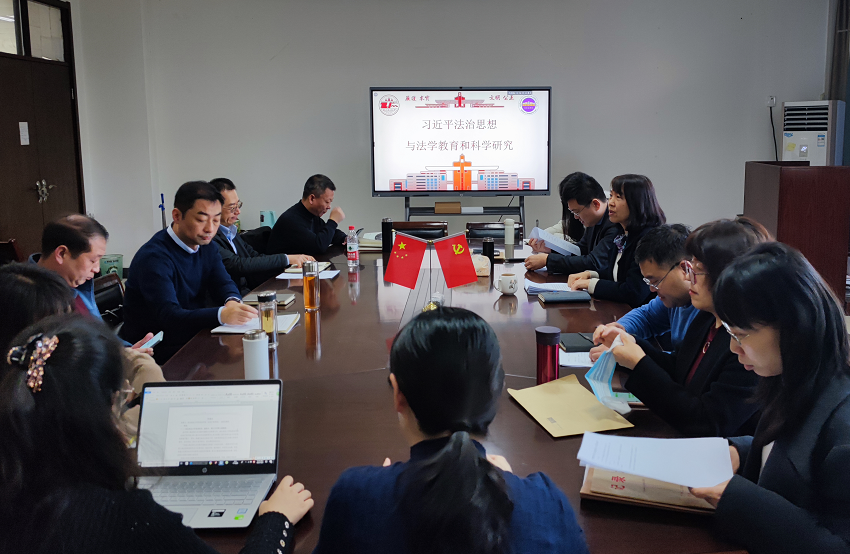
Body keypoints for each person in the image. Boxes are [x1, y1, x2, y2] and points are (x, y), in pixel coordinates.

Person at [0, 315, 313, 554]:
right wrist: (277, 518)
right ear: (107, 407)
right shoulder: (124, 516)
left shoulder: (17, 489)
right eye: (123, 397)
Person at [313, 307, 589, 554]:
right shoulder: (548, 504)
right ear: (496, 391)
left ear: (398, 394)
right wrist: (508, 485)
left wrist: (376, 486)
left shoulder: (356, 497)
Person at [690, 242, 850, 554]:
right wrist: (740, 451)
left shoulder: (843, 429)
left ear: (793, 326)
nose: (734, 348)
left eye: (741, 335)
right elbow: (789, 449)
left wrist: (735, 498)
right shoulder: (794, 380)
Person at [604, 218, 770, 437]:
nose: (690, 278)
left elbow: (706, 424)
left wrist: (639, 363)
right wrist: (630, 345)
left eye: (697, 270)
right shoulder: (706, 317)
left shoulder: (747, 343)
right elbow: (680, 368)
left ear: (728, 275)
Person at [0, 263, 163, 434]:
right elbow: (108, 436)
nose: (66, 333)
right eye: (55, 327)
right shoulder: (31, 405)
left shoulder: (44, 369)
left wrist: (127, 358)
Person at [120, 181, 258, 364]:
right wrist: (221, 314)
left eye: (216, 220)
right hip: (156, 352)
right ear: (177, 216)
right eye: (201, 220)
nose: (210, 229)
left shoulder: (206, 245)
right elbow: (170, 317)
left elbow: (222, 282)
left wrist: (232, 301)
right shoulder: (154, 257)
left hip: (193, 339)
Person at [589, 224, 698, 361]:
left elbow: (686, 366)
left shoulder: (707, 310)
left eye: (656, 281)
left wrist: (636, 357)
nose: (652, 289)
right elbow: (646, 316)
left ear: (684, 269)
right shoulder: (676, 298)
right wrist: (621, 329)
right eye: (649, 282)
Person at [567, 174, 665, 308]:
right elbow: (616, 274)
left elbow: (633, 292)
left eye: (618, 197)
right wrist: (591, 274)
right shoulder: (622, 233)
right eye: (611, 195)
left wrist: (591, 284)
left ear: (637, 202)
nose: (611, 202)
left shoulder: (649, 240)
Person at [210, 178, 314, 295]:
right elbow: (239, 264)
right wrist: (286, 259)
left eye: (238, 205)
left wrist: (289, 266)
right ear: (215, 208)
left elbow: (255, 257)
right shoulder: (210, 239)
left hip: (248, 293)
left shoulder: (231, 232)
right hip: (230, 299)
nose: (238, 211)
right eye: (232, 207)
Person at [524, 172, 619, 274]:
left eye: (577, 212)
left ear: (595, 204)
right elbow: (580, 251)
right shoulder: (594, 220)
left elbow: (593, 262)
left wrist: (548, 260)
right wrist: (550, 250)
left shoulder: (614, 225)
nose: (575, 217)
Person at [267, 174, 346, 256]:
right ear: (312, 198)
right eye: (327, 202)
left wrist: (345, 238)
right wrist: (333, 221)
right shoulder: (291, 220)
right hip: (283, 264)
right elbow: (319, 246)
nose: (329, 207)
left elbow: (329, 234)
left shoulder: (311, 215)